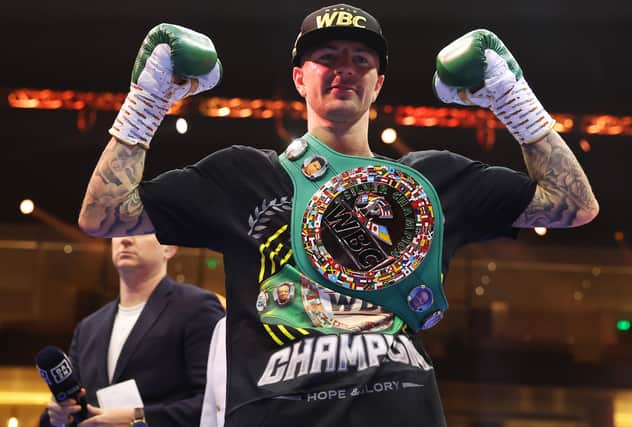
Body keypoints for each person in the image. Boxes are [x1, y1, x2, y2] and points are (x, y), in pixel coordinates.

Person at [77, 4, 598, 426]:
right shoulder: (242, 177)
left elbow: (573, 205)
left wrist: (513, 100)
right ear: (301, 78)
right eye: (328, 57)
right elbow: (103, 216)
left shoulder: (431, 183)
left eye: (361, 59)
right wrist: (147, 100)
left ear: (379, 84)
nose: (345, 69)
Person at [41, 234, 225, 427]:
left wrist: (138, 418)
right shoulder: (88, 327)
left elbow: (216, 402)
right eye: (118, 231)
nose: (125, 239)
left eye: (141, 230)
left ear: (169, 247)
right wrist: (59, 417)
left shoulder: (195, 307)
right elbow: (72, 409)